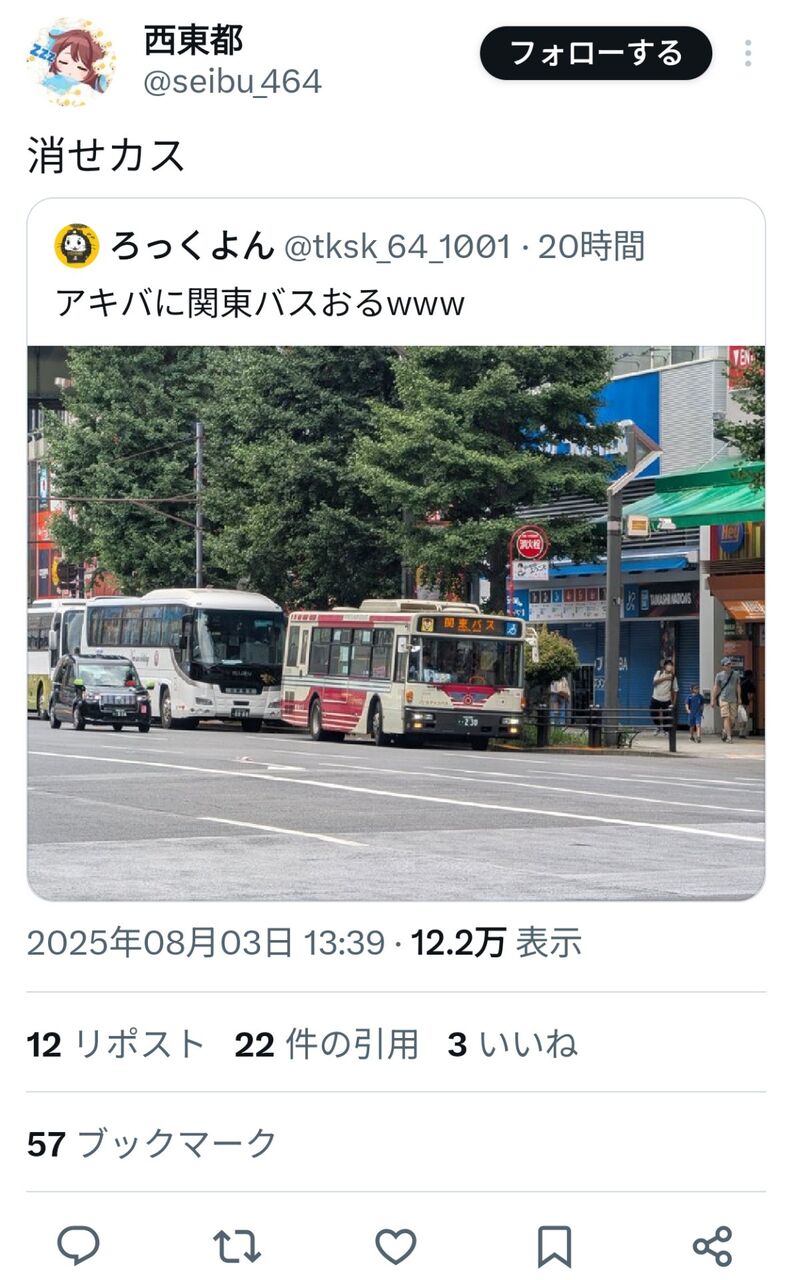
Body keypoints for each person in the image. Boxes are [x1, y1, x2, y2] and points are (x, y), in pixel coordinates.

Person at [711, 657, 742, 743]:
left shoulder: (736, 674)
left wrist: (739, 698)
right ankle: (729, 737)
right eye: (727, 665)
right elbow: (715, 687)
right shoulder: (719, 675)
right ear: (723, 666)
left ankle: (725, 730)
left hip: (733, 699)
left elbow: (738, 686)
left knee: (732, 720)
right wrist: (712, 700)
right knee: (726, 717)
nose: (729, 666)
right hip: (723, 699)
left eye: (729, 664)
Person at [650, 659, 678, 734]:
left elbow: (675, 690)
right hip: (656, 697)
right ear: (664, 666)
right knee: (653, 713)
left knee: (666, 716)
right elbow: (654, 682)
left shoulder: (673, 677)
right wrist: (665, 678)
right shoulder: (659, 673)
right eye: (668, 665)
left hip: (666, 699)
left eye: (671, 665)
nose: (670, 666)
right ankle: (658, 727)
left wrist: (674, 703)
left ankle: (666, 730)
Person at [738, 668, 756, 739]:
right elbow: (750, 696)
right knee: (744, 718)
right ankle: (741, 733)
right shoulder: (751, 684)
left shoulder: (739, 681)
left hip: (736, 702)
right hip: (745, 703)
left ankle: (727, 731)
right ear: (751, 676)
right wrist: (749, 700)